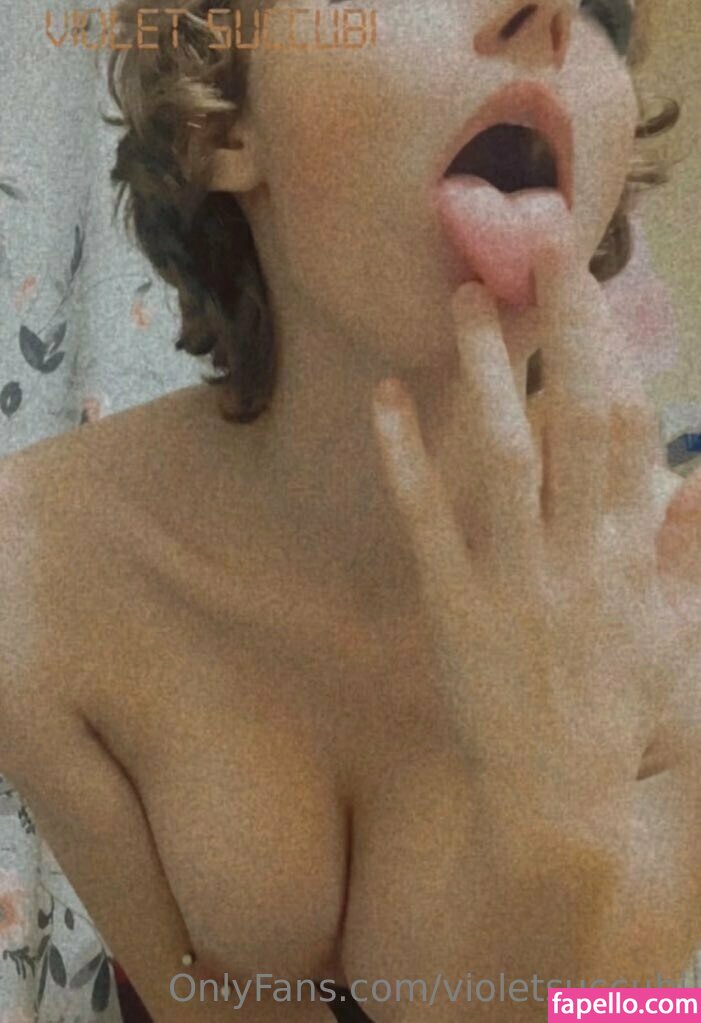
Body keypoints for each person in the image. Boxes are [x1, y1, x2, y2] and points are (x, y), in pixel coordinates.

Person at [1, 0, 701, 1020]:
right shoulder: (33, 560)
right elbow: (192, 999)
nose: (549, 11)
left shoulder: (678, 596)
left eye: (600, 8)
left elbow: (649, 1011)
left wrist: (559, 867)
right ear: (220, 125)